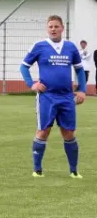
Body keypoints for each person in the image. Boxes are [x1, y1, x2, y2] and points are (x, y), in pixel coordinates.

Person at [19, 15, 86, 178]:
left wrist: (82, 90)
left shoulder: (70, 47)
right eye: (50, 27)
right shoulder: (39, 46)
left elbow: (79, 70)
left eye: (56, 26)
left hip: (66, 97)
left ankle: (74, 170)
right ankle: (37, 169)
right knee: (43, 132)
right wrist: (31, 84)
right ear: (47, 29)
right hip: (46, 97)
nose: (53, 29)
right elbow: (23, 66)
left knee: (69, 133)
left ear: (62, 28)